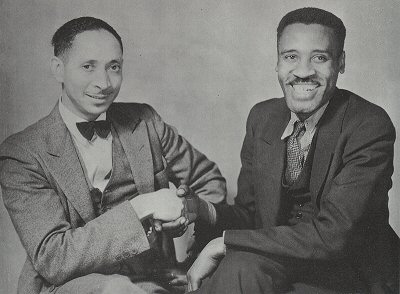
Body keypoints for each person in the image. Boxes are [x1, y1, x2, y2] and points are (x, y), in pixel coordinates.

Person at [0, 17, 226, 294]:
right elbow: (53, 258)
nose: (104, 83)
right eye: (87, 67)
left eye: (114, 67)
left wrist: (190, 222)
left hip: (155, 279)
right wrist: (144, 205)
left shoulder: (145, 122)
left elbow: (208, 181)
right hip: (66, 287)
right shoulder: (21, 153)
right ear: (58, 69)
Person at [185, 7, 399, 294]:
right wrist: (203, 210)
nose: (303, 72)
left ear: (341, 63)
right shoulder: (262, 118)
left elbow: (334, 237)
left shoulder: (369, 125)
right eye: (291, 57)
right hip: (277, 261)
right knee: (239, 268)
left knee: (235, 269)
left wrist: (224, 242)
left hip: (347, 272)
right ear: (277, 63)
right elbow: (252, 217)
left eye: (319, 58)